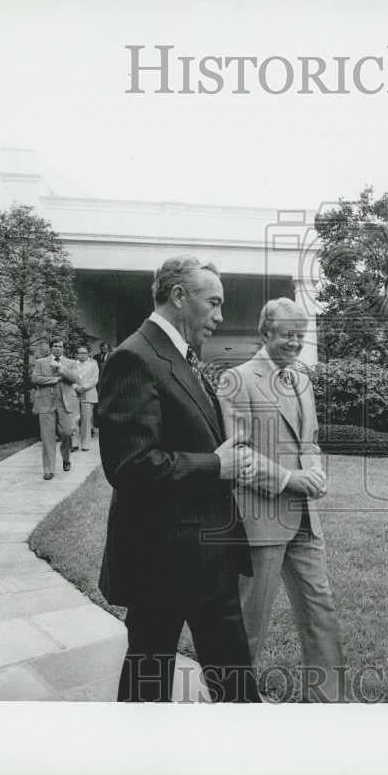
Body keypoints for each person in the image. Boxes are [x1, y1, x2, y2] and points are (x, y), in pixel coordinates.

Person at [97, 254, 260, 703]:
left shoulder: (176, 355)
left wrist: (228, 457)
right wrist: (216, 466)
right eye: (213, 304)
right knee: (151, 680)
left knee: (229, 677)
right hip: (162, 561)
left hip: (206, 557)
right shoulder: (134, 357)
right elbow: (129, 466)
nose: (220, 316)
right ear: (178, 296)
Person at [218, 297, 344, 702]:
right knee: (251, 620)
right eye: (288, 335)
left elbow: (310, 440)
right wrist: (293, 479)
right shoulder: (236, 379)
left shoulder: (302, 379)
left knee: (320, 607)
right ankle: (232, 705)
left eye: (301, 337)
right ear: (265, 332)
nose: (295, 343)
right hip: (260, 520)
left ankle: (329, 703)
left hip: (306, 520)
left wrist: (317, 472)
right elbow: (236, 455)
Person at [31, 339, 80, 480]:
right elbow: (35, 379)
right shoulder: (41, 362)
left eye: (61, 347)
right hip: (46, 403)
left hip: (65, 403)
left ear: (64, 349)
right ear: (51, 348)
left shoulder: (70, 363)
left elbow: (75, 379)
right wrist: (54, 380)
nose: (58, 349)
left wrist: (60, 369)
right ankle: (49, 469)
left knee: (67, 432)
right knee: (47, 437)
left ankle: (66, 458)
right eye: (55, 346)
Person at [71, 344, 99, 452]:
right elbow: (69, 377)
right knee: (74, 419)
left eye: (84, 353)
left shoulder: (93, 364)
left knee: (86, 420)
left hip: (88, 393)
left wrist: (84, 387)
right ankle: (74, 443)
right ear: (76, 354)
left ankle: (85, 444)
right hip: (74, 393)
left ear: (88, 354)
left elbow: (95, 379)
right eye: (80, 353)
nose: (82, 355)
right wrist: (76, 387)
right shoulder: (72, 364)